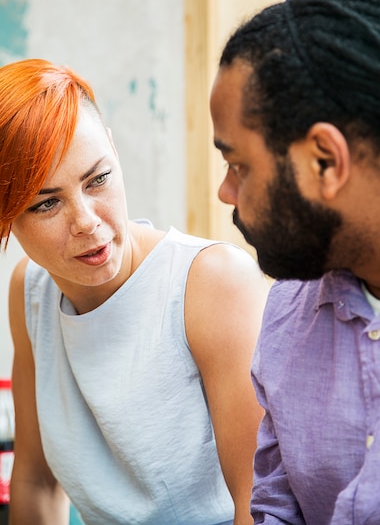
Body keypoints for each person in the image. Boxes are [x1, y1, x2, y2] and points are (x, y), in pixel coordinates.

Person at [3, 58, 269, 525]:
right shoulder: (32, 292)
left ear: (114, 150)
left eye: (97, 179)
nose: (86, 221)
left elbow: (260, 508)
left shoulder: (212, 284)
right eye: (47, 203)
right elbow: (35, 480)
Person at [209, 0, 380, 525]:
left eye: (238, 165)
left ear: (325, 160)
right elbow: (273, 509)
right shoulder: (284, 319)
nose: (225, 192)